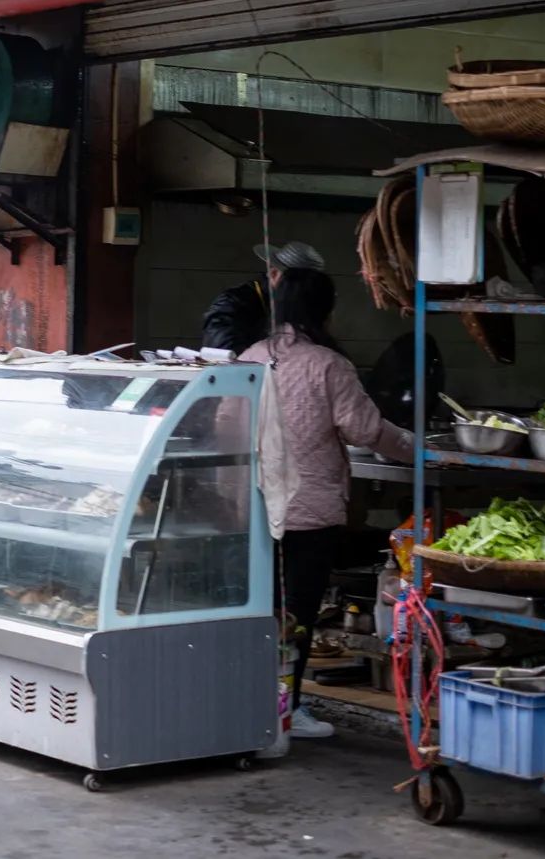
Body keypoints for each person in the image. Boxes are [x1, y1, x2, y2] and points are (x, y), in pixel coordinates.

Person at [240, 267, 413, 740]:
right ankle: (286, 711)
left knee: (263, 612)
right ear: (325, 310)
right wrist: (419, 452)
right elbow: (366, 431)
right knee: (297, 613)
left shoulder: (250, 357)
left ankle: (255, 704)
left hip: (255, 507)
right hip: (309, 510)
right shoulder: (328, 365)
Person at [201, 241, 325, 356]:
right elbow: (225, 354)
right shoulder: (232, 303)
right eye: (295, 283)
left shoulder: (298, 306)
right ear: (274, 273)